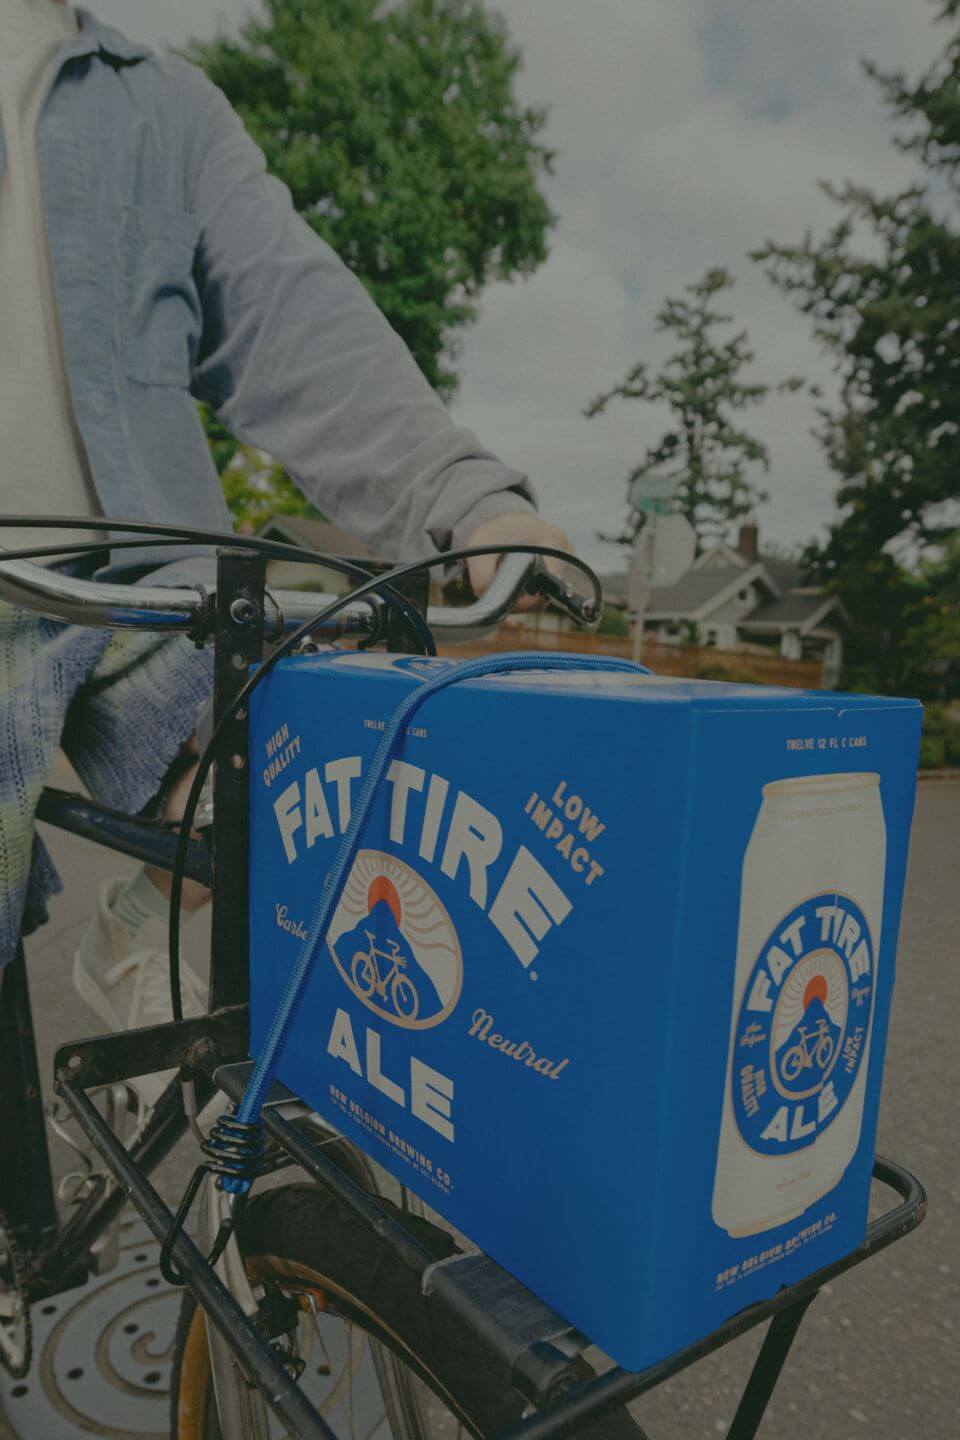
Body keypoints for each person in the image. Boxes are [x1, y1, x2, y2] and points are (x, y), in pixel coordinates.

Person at [0, 0, 569, 1103]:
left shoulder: (164, 107)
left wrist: (464, 497)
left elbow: (300, 323)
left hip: (141, 583)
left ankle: (144, 938)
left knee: (313, 751)